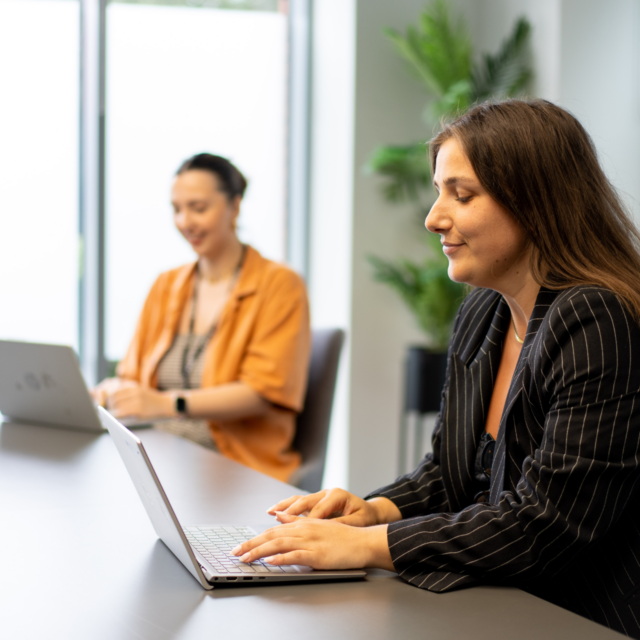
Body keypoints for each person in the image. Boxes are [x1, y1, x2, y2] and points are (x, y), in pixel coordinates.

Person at [232, 100, 640, 638]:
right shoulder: (484, 310)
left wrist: (366, 547)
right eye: (438, 191)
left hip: (576, 616)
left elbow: (546, 526)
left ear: (536, 201)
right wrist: (374, 511)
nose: (433, 218)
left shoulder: (596, 320)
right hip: (498, 606)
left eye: (461, 194)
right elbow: (448, 475)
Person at [94, 153, 311, 482]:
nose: (185, 221)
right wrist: (116, 390)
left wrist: (168, 404)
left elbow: (263, 392)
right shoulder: (166, 285)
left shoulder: (278, 284)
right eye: (176, 209)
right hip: (160, 456)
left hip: (231, 464)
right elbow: (134, 376)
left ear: (234, 207)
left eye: (198, 208)